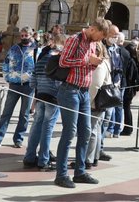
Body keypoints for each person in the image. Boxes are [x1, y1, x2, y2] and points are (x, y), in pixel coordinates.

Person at [53, 18, 110, 189]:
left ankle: (80, 171)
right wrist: (87, 61)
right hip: (70, 90)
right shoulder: (74, 39)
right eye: (100, 36)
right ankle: (61, 174)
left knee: (85, 131)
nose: (100, 40)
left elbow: (87, 65)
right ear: (93, 29)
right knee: (69, 132)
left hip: (84, 92)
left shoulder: (93, 43)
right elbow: (63, 61)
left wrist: (95, 63)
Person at [0, 26, 35, 148]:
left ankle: (18, 138)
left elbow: (39, 67)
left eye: (26, 35)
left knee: (24, 114)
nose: (23, 37)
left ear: (31, 36)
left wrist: (34, 80)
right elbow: (6, 62)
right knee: (6, 112)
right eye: (22, 35)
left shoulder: (36, 49)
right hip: (14, 83)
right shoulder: (14, 48)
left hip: (28, 86)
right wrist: (7, 76)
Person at [22, 33, 61, 170]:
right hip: (53, 97)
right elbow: (58, 80)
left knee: (37, 125)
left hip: (40, 95)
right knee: (48, 127)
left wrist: (39, 87)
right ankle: (44, 159)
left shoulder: (42, 55)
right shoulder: (58, 57)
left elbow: (33, 80)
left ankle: (29, 157)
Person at [84, 41, 112, 168]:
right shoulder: (105, 62)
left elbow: (95, 85)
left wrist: (87, 102)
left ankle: (88, 159)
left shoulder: (100, 65)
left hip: (95, 102)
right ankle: (93, 157)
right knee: (96, 128)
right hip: (100, 101)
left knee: (91, 130)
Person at [120, 40, 139, 136]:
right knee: (127, 108)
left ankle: (128, 128)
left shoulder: (131, 61)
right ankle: (128, 127)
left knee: (126, 108)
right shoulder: (135, 61)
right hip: (132, 88)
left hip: (129, 88)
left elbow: (130, 76)